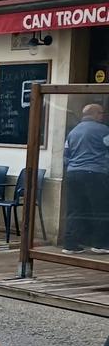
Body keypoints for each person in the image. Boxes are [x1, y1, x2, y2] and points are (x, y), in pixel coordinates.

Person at [61, 103, 109, 255]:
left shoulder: (73, 132)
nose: (103, 116)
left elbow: (66, 155)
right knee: (100, 209)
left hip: (73, 173)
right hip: (95, 173)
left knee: (75, 209)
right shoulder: (103, 130)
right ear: (94, 114)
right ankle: (100, 244)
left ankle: (70, 244)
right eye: (101, 113)